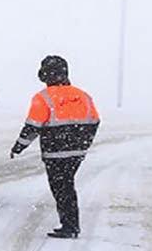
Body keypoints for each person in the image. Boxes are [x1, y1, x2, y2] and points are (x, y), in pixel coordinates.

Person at [10, 55, 101, 238]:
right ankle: (70, 225)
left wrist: (19, 147)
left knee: (61, 188)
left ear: (44, 76)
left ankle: (70, 226)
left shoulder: (42, 98)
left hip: (54, 153)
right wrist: (84, 143)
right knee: (67, 185)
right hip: (76, 153)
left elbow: (32, 127)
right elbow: (95, 121)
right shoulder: (83, 95)